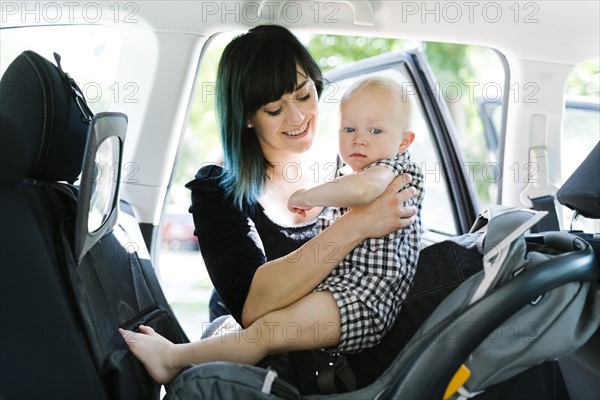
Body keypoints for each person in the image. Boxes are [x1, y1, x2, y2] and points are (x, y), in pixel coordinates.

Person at [120, 25, 418, 391]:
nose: (297, 118)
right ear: (247, 116)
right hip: (264, 376)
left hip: (338, 365)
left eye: (305, 95)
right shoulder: (218, 189)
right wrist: (358, 224)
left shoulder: (349, 167)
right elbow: (254, 306)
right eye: (275, 108)